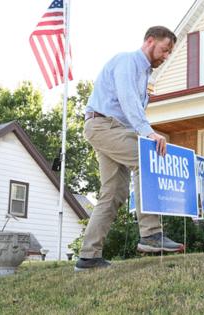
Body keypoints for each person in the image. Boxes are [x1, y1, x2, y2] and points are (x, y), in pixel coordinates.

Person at [75, 26, 183, 271]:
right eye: (165, 50)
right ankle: (151, 234)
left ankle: (88, 256)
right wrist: (148, 132)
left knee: (113, 193)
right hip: (103, 125)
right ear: (150, 41)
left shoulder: (145, 76)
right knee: (147, 160)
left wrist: (140, 131)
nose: (166, 56)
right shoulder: (127, 61)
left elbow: (131, 108)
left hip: (114, 129)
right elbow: (127, 99)